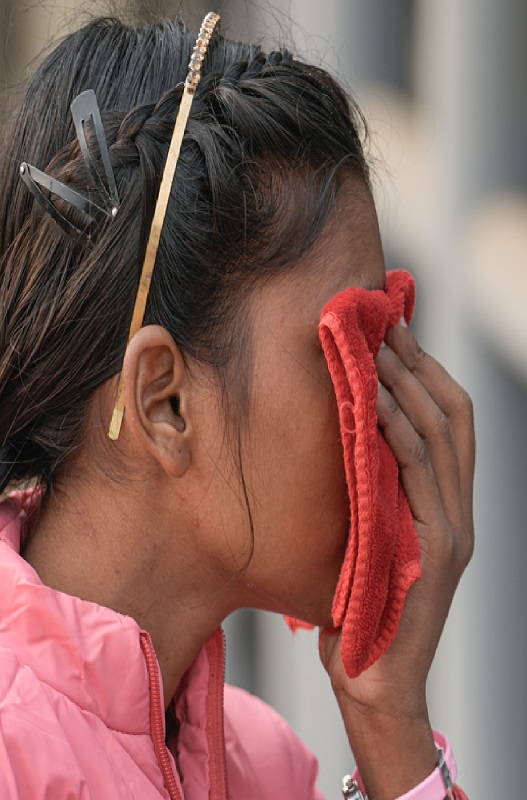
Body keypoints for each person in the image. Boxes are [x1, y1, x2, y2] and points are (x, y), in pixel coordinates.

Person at [0, 16, 473, 800]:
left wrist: (391, 724)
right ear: (165, 402)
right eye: (348, 352)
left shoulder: (261, 764)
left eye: (391, 342)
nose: (395, 413)